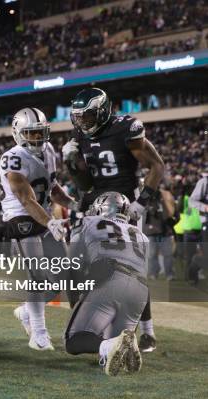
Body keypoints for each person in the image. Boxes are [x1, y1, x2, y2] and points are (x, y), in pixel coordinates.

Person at [62, 87, 165, 352]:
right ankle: (92, 323)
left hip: (123, 204)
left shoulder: (125, 128)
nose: (82, 122)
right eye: (79, 117)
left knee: (132, 267)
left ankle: (148, 332)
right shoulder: (80, 135)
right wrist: (73, 164)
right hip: (94, 203)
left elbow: (157, 166)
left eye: (88, 116)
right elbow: (84, 183)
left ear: (104, 111)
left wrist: (141, 204)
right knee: (82, 263)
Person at [0, 107, 78, 351]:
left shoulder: (49, 150)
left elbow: (52, 189)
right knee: (39, 277)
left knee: (63, 276)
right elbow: (26, 199)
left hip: (43, 215)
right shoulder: (12, 158)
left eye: (40, 133)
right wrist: (50, 222)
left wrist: (73, 205)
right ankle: (39, 333)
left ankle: (26, 311)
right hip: (21, 216)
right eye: (31, 134)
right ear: (18, 133)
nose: (37, 138)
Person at [65, 192, 147, 377]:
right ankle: (118, 346)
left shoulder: (88, 222)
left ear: (102, 208)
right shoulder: (140, 234)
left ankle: (108, 346)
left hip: (110, 276)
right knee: (118, 340)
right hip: (140, 288)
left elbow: (74, 264)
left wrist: (75, 298)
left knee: (74, 340)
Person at [143, 182, 176, 280]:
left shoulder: (165, 196)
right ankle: (153, 273)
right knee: (151, 254)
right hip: (151, 231)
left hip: (165, 231)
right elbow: (141, 206)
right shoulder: (145, 196)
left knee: (168, 254)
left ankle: (169, 274)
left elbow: (172, 213)